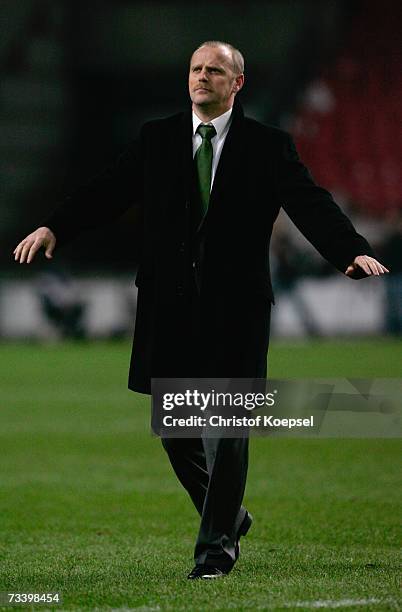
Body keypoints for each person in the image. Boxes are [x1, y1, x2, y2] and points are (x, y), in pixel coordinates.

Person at [13, 41, 389, 580]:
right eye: (196, 68)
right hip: (170, 309)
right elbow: (106, 191)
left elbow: (310, 201)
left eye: (215, 70)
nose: (202, 77)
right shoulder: (157, 138)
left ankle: (215, 553)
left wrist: (349, 249)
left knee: (226, 430)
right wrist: (56, 225)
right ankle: (230, 516)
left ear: (238, 83)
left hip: (237, 310)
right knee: (176, 431)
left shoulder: (267, 145)